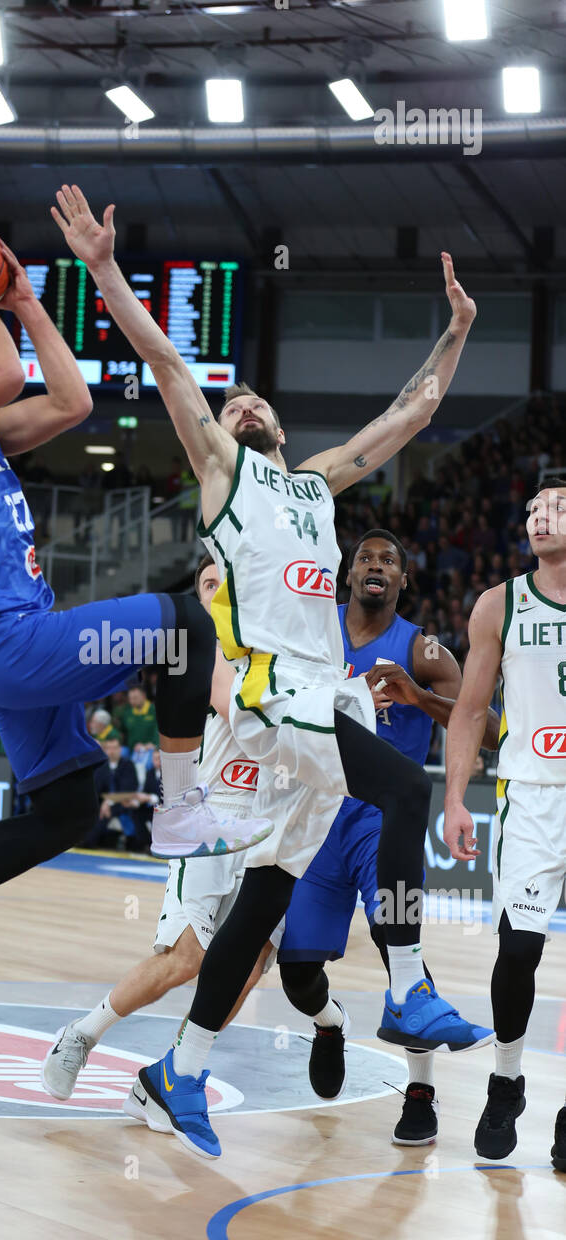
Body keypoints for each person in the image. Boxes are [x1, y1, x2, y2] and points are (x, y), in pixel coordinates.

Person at [53, 183, 490, 1158]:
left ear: (280, 426)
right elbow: (165, 358)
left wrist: (454, 331)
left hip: (315, 698)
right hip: (263, 701)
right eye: (230, 398)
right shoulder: (221, 469)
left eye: (254, 399)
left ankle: (180, 1069)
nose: (240, 401)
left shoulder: (311, 482)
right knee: (398, 790)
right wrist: (101, 269)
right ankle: (409, 985)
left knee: (261, 900)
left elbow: (408, 415)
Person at [0, 234, 271, 1007]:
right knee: (185, 623)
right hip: (7, 641)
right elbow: (3, 371)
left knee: (72, 805)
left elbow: (72, 401)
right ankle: (178, 810)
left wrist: (27, 300)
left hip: (12, 646)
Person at [267, 529, 499, 1145]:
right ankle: (329, 1021)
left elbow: (489, 726)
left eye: (389, 561)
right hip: (315, 815)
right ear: (348, 576)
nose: (376, 565)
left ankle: (420, 1093)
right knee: (296, 972)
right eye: (365, 558)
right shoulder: (313, 633)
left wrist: (418, 697)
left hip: (380, 819)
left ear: (403, 582)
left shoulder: (423, 651)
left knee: (402, 944)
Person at [43, 557, 273, 1099]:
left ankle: (176, 1072)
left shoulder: (270, 645)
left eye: (226, 584)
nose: (217, 593)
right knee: (183, 960)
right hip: (210, 820)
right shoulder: (202, 652)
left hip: (268, 828)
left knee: (253, 963)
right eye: (208, 585)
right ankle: (80, 1035)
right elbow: (235, 706)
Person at [444, 478, 566, 1171]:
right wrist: (456, 797)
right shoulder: (502, 603)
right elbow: (469, 710)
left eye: (558, 507)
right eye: (533, 509)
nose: (540, 517)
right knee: (518, 951)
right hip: (533, 796)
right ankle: (507, 1079)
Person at [79, 734, 139, 850]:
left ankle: (88, 841)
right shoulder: (102, 767)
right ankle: (83, 839)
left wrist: (109, 802)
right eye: (109, 748)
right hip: (102, 804)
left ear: (120, 749)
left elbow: (128, 789)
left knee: (104, 813)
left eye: (114, 748)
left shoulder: (128, 765)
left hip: (122, 803)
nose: (112, 751)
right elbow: (96, 788)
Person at [115, 683, 158, 752]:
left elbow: (159, 731)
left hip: (151, 750)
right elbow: (121, 731)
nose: (132, 701)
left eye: (135, 698)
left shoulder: (154, 711)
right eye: (130, 698)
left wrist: (153, 744)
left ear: (144, 696)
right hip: (132, 752)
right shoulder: (127, 713)